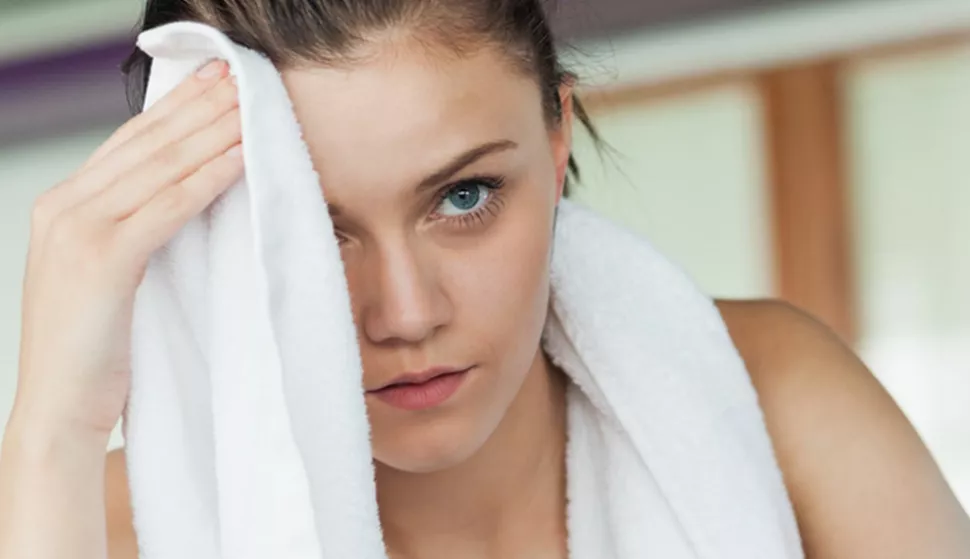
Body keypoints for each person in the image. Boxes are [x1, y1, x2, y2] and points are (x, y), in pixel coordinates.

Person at [1, 1, 968, 558]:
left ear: (555, 139)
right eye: (306, 236)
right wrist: (53, 428)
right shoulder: (118, 529)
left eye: (463, 196)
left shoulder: (772, 392)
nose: (406, 313)